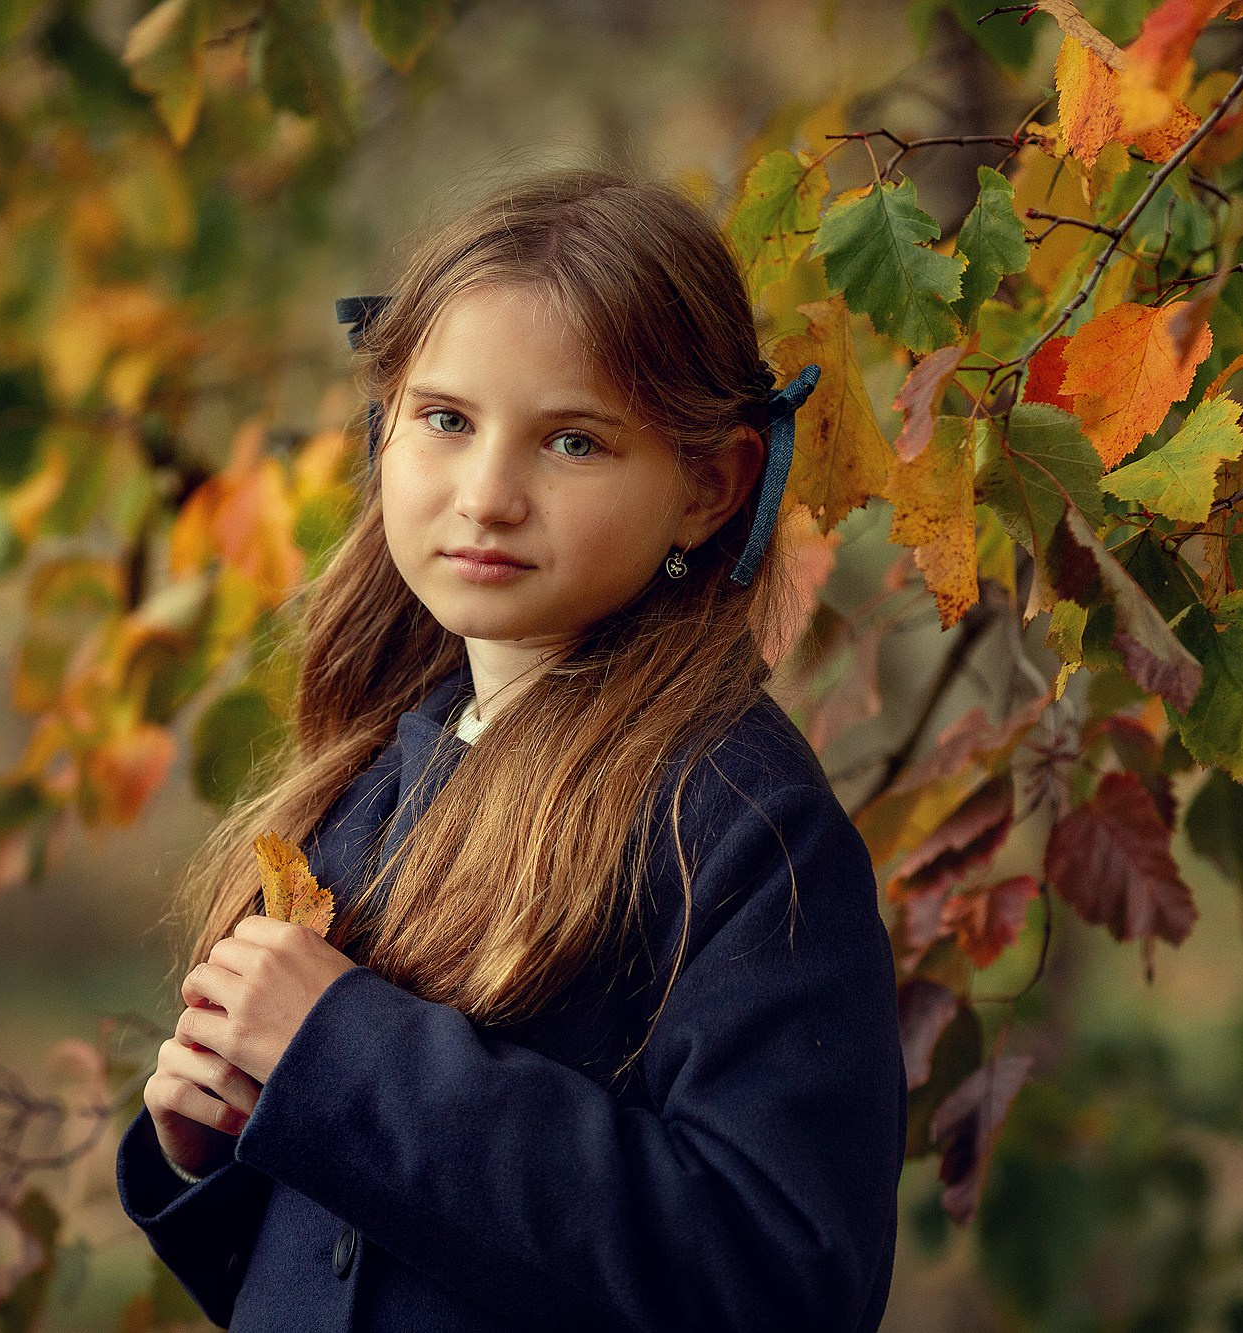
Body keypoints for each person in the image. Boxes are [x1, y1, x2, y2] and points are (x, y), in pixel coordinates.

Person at [113, 166, 907, 1333]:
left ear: (708, 486)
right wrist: (220, 1145)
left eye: (572, 442)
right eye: (445, 420)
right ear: (385, 427)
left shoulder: (735, 823)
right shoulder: (373, 784)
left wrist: (341, 1057)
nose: (486, 495)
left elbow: (776, 1281)